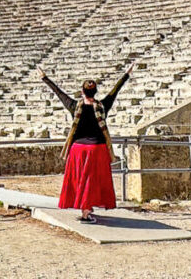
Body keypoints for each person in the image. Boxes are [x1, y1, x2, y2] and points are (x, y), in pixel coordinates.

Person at [39, 65, 131, 223]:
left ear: (82, 92)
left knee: (80, 179)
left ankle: (85, 211)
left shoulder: (75, 107)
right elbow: (115, 91)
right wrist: (126, 74)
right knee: (92, 181)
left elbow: (59, 93)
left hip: (78, 150)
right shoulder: (102, 106)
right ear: (95, 92)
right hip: (97, 150)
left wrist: (45, 78)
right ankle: (86, 211)